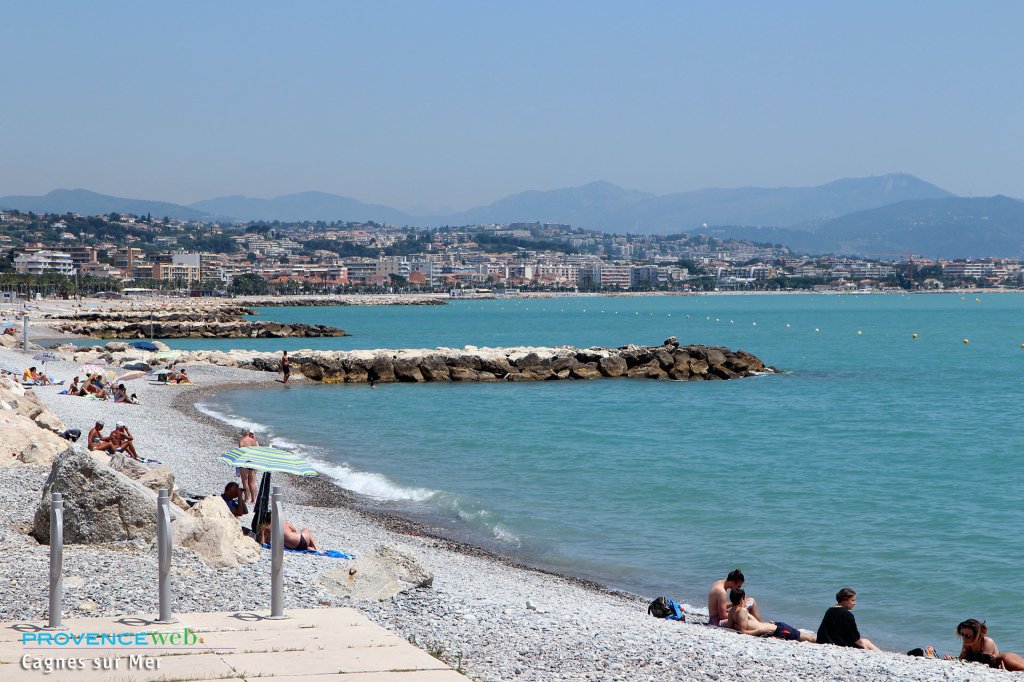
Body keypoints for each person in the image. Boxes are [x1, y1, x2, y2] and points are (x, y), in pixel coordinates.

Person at [726, 588, 815, 642]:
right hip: (777, 630)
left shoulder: (731, 612)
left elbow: (730, 628)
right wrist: (759, 631)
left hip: (775, 627)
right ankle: (826, 639)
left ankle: (826, 638)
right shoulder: (742, 610)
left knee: (807, 637)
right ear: (742, 599)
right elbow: (743, 631)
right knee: (811, 639)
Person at [945, 618, 1024, 670]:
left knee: (1010, 662)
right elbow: (961, 660)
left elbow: (983, 663)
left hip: (1004, 658)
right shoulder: (968, 643)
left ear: (977, 635)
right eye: (963, 635)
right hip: (999, 666)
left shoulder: (987, 641)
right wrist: (952, 660)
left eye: (968, 636)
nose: (964, 638)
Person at [815, 588, 880, 650]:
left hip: (824, 641)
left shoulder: (830, 610)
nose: (854, 603)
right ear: (844, 600)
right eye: (852, 600)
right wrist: (864, 647)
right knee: (866, 641)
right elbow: (854, 637)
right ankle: (880, 653)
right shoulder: (847, 614)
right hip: (838, 645)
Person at [237, 428, 259, 505]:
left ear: (243, 433)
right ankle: (254, 499)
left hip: (245, 462)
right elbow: (256, 451)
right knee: (252, 482)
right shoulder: (254, 441)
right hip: (252, 462)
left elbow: (241, 452)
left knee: (245, 481)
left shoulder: (242, 441)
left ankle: (247, 498)